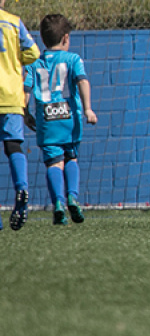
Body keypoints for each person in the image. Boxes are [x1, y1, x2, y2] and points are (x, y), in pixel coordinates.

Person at [24, 14, 98, 225]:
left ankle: (57, 203)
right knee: (71, 158)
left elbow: (26, 90)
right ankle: (72, 197)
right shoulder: (73, 59)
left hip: (47, 122)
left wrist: (25, 112)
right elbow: (82, 82)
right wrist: (88, 109)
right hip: (69, 119)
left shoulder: (34, 63)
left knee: (54, 164)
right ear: (66, 38)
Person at [0, 0, 40, 231]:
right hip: (12, 95)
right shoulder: (14, 23)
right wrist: (16, 61)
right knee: (13, 145)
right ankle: (22, 188)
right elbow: (34, 53)